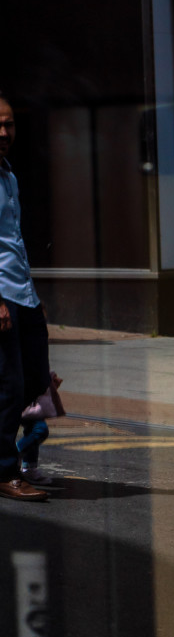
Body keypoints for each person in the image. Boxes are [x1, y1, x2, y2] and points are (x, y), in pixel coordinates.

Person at [0, 93, 50, 501]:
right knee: (9, 388)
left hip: (23, 294)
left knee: (36, 382)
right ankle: (6, 471)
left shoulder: (9, 176)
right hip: (2, 297)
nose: (3, 132)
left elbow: (14, 242)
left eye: (9, 124)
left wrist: (33, 295)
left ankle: (17, 458)